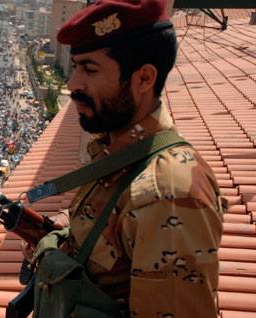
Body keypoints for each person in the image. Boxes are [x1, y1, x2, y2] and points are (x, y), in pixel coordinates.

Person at [22, 0, 225, 317]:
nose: (73, 84)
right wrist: (65, 230)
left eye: (89, 69)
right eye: (75, 67)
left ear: (143, 79)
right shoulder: (120, 155)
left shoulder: (168, 192)